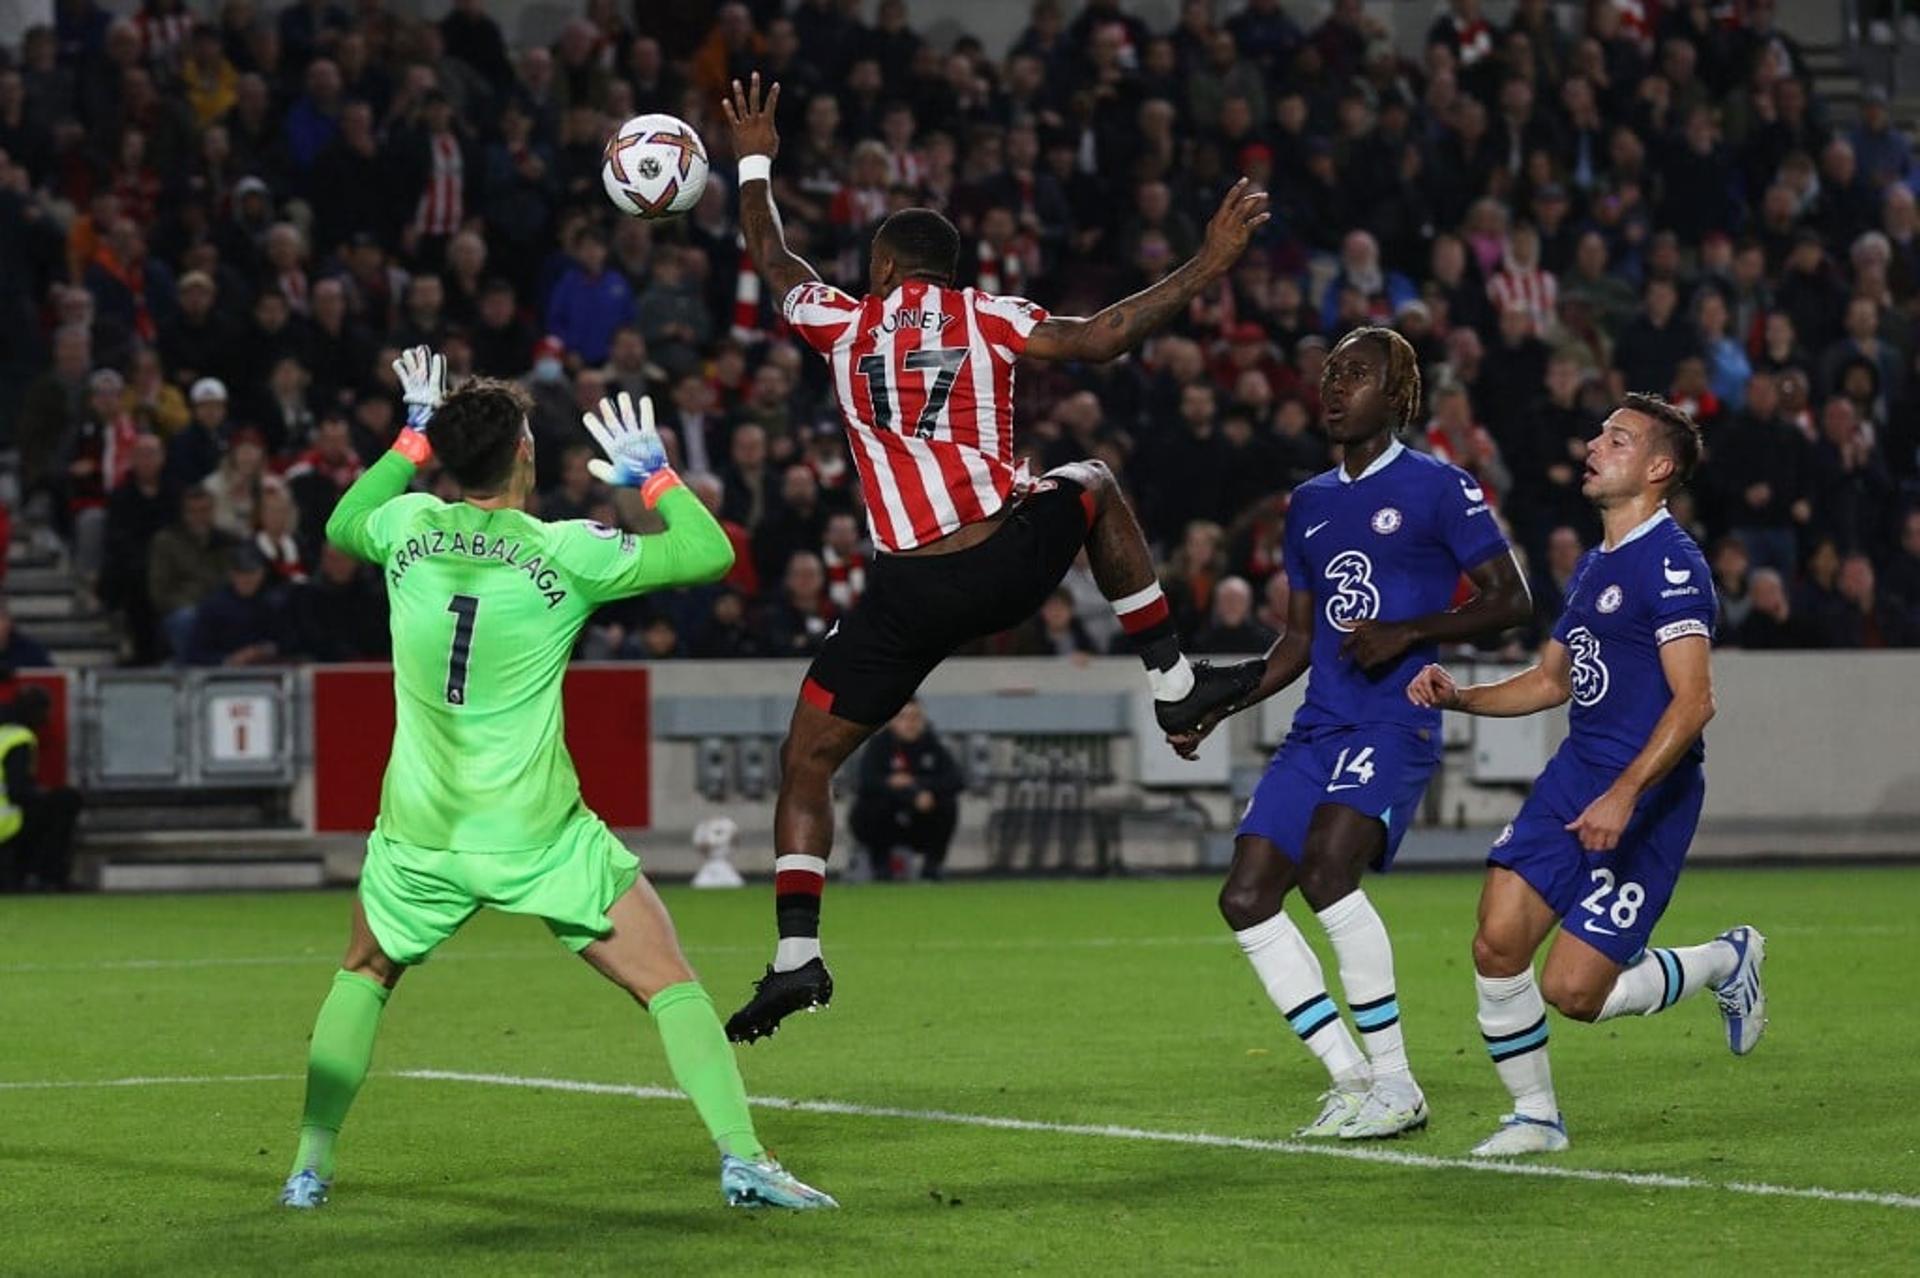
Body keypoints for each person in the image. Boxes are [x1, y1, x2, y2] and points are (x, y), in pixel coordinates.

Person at [720, 73, 1267, 1043]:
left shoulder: (844, 324)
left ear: (885, 269)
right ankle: (1175, 679)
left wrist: (755, 158)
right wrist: (1207, 265)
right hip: (1003, 561)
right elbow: (1103, 338)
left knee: (805, 762)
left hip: (907, 593)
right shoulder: (991, 315)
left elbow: (770, 253)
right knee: (1092, 476)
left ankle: (797, 958)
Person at [279, 349, 831, 1212]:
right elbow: (709, 553)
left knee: (364, 974)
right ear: (525, 455)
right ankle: (744, 1159)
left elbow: (344, 520)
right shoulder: (567, 552)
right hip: (538, 832)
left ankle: (308, 1170)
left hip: (423, 828)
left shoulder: (404, 529)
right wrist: (655, 477)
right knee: (669, 982)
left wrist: (411, 436)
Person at [1164, 326, 1532, 1140]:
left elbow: (1512, 599)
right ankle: (1350, 1075)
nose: (1333, 388)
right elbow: (1297, 642)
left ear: (1397, 395)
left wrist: (1408, 631)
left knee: (1330, 866)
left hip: (1395, 718)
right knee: (1247, 896)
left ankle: (1398, 1083)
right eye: (1329, 375)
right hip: (1319, 725)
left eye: (1355, 375)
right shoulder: (1310, 503)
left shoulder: (1441, 488)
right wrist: (1215, 705)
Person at [1407, 393, 1767, 1157]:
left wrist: (1626, 793)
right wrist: (1461, 695)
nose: (1595, 447)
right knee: (1495, 942)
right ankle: (1536, 1118)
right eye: (1600, 434)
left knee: (1573, 993)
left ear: (1659, 468)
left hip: (1649, 792)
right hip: (1577, 775)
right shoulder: (1597, 565)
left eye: (1618, 438)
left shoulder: (1672, 563)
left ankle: (1724, 960)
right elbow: (1550, 682)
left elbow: (1696, 701)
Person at [849, 699, 963, 881]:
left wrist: (920, 788)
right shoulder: (879, 746)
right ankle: (881, 867)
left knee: (948, 804)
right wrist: (900, 791)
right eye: (903, 717)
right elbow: (866, 782)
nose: (910, 723)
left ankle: (932, 868)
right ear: (892, 720)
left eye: (915, 717)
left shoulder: (932, 745)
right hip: (885, 822)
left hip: (920, 821)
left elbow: (956, 780)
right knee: (872, 804)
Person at [0, 687, 81, 892]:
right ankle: (48, 875)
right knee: (66, 800)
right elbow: (17, 791)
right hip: (6, 824)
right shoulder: (19, 738)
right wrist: (42, 793)